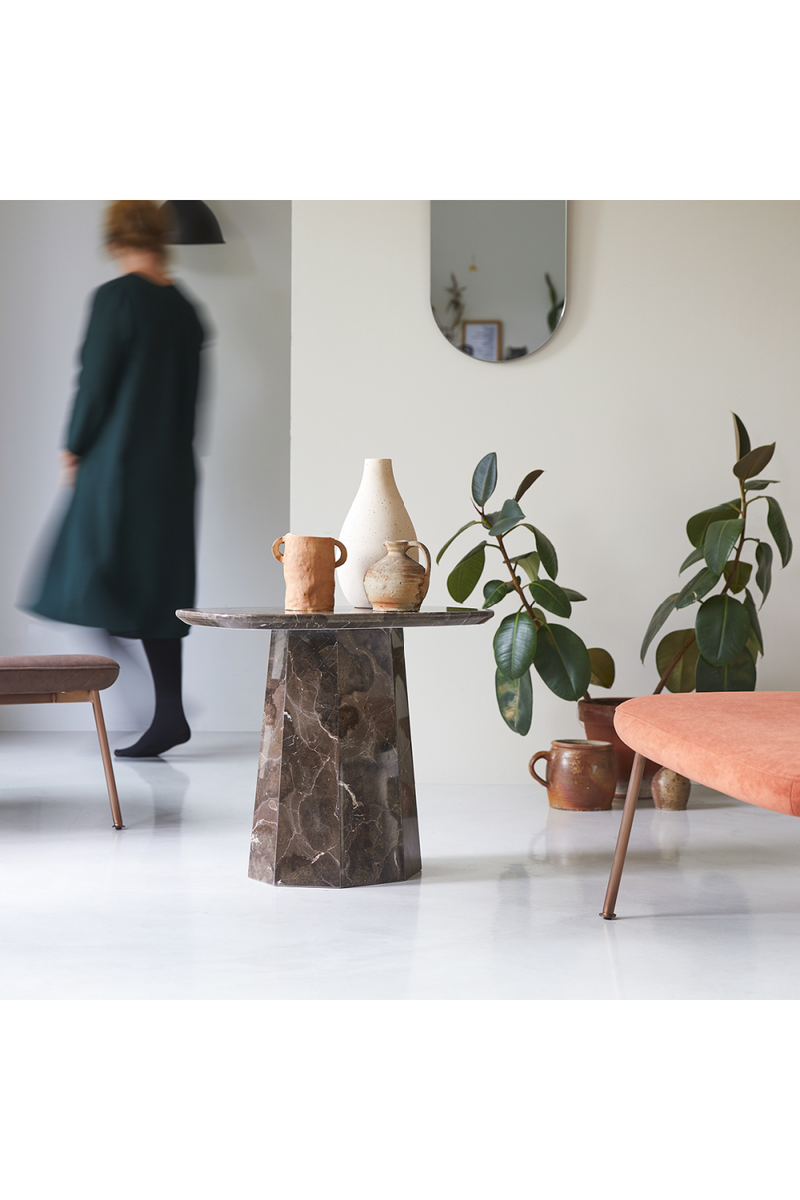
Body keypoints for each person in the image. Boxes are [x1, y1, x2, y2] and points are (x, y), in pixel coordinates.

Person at [25, 200, 206, 758]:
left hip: (118, 466)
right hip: (172, 468)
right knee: (158, 590)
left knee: (85, 579)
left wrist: (73, 445)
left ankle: (158, 709)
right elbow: (192, 399)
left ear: (113, 240)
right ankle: (168, 713)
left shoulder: (116, 298)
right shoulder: (185, 307)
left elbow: (95, 382)